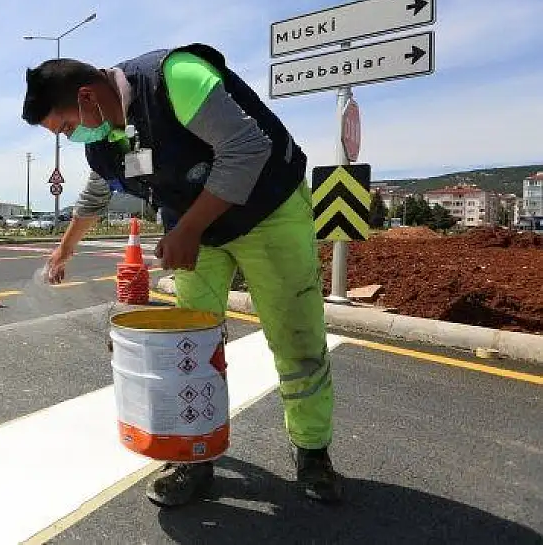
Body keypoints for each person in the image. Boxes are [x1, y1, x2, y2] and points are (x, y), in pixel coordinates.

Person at [20, 44, 342, 506]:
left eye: (67, 126)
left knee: (296, 336)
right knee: (187, 348)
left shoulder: (174, 77)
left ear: (88, 96)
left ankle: (313, 452)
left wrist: (188, 230)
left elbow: (248, 149)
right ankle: (194, 453)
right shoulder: (105, 140)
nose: (70, 137)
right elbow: (96, 195)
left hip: (267, 208)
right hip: (195, 225)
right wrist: (63, 250)